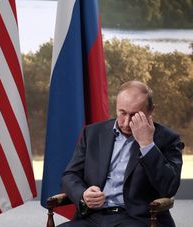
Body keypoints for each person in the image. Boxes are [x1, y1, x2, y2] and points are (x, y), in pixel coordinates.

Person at [59, 81, 184, 227]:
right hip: (92, 216)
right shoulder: (92, 133)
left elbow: (169, 188)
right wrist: (83, 195)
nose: (126, 122)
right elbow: (70, 175)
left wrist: (147, 144)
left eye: (134, 115)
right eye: (122, 113)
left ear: (151, 111)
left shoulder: (168, 139)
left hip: (138, 219)